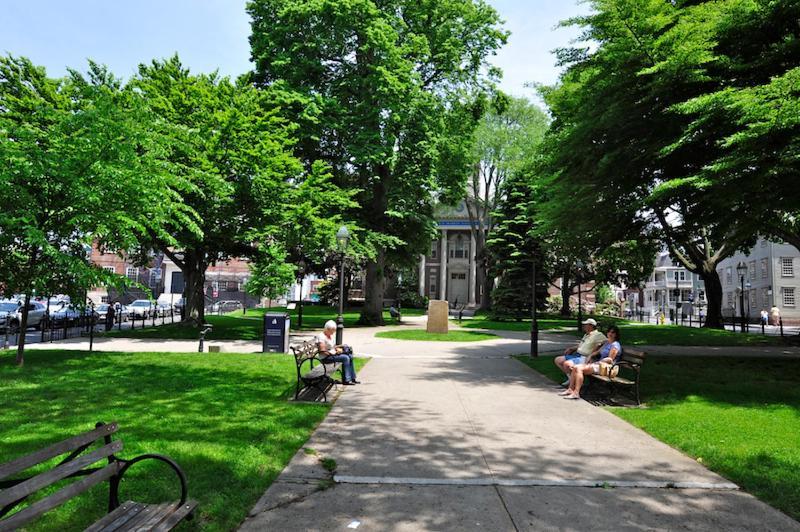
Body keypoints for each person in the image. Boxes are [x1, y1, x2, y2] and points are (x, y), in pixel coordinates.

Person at [561, 325, 623, 400]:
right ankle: (570, 390)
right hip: (600, 365)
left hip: (607, 368)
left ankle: (576, 393)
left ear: (616, 334)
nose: (610, 333)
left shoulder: (615, 345)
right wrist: (590, 356)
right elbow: (597, 352)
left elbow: (610, 360)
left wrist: (597, 362)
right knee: (576, 367)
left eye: (613, 332)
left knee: (578, 368)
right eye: (609, 331)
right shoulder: (607, 343)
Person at [554, 318, 606, 386]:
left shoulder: (598, 335)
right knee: (558, 360)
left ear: (591, 326)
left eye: (585, 325)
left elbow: (607, 342)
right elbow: (581, 345)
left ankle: (575, 381)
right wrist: (572, 348)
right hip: (578, 355)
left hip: (585, 357)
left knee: (567, 364)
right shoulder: (586, 334)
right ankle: (571, 379)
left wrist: (597, 349)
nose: (583, 326)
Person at [317, 320, 360, 385]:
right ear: (327, 329)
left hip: (331, 355)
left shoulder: (329, 335)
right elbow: (322, 351)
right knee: (345, 358)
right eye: (332, 330)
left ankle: (352, 378)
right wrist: (335, 352)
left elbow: (332, 347)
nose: (333, 332)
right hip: (326, 358)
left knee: (350, 356)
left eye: (334, 330)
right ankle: (346, 380)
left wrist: (340, 347)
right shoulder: (321, 337)